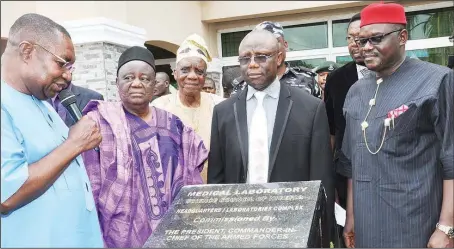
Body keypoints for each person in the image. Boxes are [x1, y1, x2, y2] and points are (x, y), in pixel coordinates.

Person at [207, 30, 334, 247]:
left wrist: (321, 232)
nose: (253, 64)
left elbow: (321, 178)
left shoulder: (310, 109)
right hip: (239, 229)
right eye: (245, 59)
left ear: (279, 58)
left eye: (261, 57)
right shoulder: (223, 112)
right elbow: (216, 179)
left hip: (293, 229)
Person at [342, 3, 453, 248]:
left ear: (402, 37)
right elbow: (351, 162)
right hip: (367, 223)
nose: (367, 48)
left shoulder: (437, 81)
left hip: (416, 223)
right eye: (362, 41)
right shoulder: (356, 92)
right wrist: (351, 216)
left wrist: (446, 226)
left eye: (376, 39)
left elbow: (452, 158)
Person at [82, 46, 208, 248]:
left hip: (170, 229)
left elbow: (193, 163)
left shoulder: (174, 125)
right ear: (117, 83)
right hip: (117, 232)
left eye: (145, 78)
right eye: (128, 78)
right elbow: (90, 180)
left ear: (154, 84)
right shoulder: (99, 122)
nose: (137, 84)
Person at [1, 13, 103, 247]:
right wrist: (75, 144)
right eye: (61, 63)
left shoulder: (43, 104)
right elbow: (6, 195)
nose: (68, 75)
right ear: (27, 51)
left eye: (71, 67)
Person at [152, 34, 224, 183]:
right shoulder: (158, 108)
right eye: (185, 70)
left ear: (205, 76)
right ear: (175, 73)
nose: (192, 76)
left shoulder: (220, 106)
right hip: (173, 192)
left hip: (215, 191)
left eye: (199, 71)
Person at [324, 13, 366, 210]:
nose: (354, 44)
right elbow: (331, 132)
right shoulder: (336, 80)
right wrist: (328, 179)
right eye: (350, 38)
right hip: (346, 175)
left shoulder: (396, 77)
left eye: (359, 37)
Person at [230, 21, 317, 97]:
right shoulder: (243, 84)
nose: (271, 46)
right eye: (263, 43)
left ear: (285, 44)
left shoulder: (307, 79)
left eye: (276, 41)